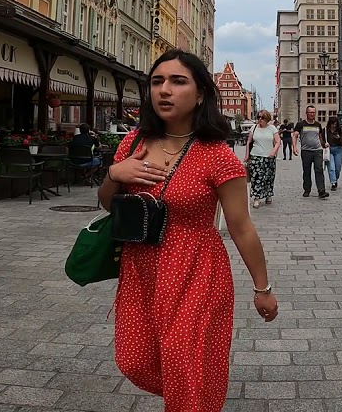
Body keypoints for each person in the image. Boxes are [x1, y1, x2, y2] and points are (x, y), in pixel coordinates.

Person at [99, 49, 278, 412]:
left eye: (178, 81)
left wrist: (263, 289)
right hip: (141, 269)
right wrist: (114, 174)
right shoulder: (133, 144)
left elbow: (241, 227)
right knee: (134, 360)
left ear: (199, 95)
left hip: (196, 270)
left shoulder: (217, 155)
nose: (164, 90)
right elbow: (107, 203)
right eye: (157, 81)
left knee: (186, 366)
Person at [243, 110, 281, 207]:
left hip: (269, 157)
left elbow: (278, 141)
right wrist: (247, 155)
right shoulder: (254, 128)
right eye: (258, 117)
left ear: (267, 119)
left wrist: (274, 151)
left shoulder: (272, 128)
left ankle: (268, 195)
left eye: (262, 117)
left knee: (269, 177)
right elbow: (249, 142)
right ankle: (256, 198)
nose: (260, 119)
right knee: (256, 178)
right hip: (255, 156)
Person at [293, 105, 329, 198]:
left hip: (317, 150)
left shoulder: (318, 125)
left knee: (319, 169)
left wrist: (323, 145)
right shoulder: (301, 124)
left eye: (313, 112)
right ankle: (307, 189)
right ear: (306, 113)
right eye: (310, 112)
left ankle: (321, 190)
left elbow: (320, 137)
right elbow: (295, 135)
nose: (312, 114)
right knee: (307, 171)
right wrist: (294, 147)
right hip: (306, 151)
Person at [325, 116, 342, 190]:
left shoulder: (340, 130)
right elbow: (322, 139)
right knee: (331, 168)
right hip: (329, 150)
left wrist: (339, 138)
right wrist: (324, 144)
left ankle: (335, 179)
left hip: (338, 150)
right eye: (332, 124)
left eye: (335, 124)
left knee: (337, 168)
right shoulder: (326, 130)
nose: (334, 126)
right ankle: (333, 183)